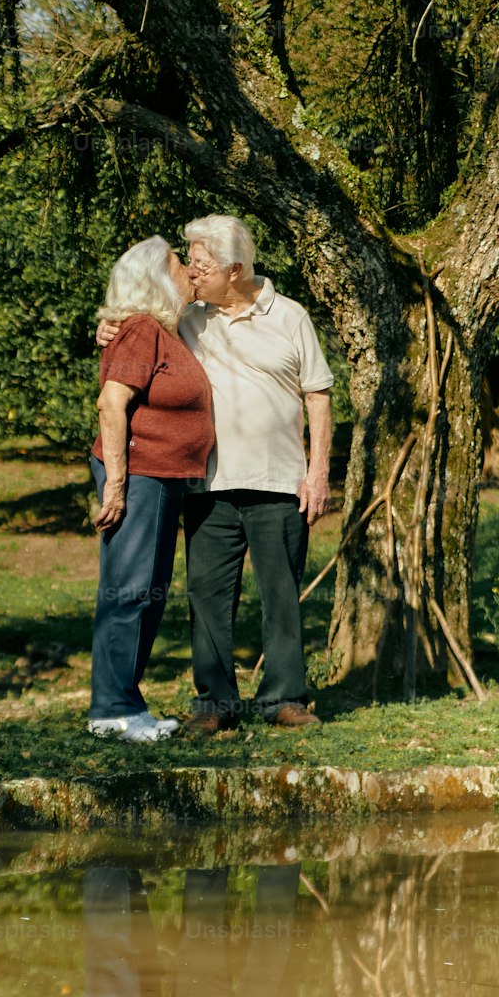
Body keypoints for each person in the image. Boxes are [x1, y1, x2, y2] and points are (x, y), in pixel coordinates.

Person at [100, 215, 333, 733]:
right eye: (191, 265)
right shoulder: (188, 317)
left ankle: (285, 699)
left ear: (234, 268)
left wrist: (317, 473)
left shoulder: (291, 316)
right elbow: (136, 331)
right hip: (208, 483)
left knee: (280, 594)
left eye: (202, 266)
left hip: (279, 481)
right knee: (206, 596)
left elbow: (318, 396)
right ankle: (214, 704)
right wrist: (107, 326)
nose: (193, 274)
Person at [88, 236, 215, 743]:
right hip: (139, 475)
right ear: (158, 278)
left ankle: (125, 704)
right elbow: (110, 404)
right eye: (179, 262)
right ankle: (112, 709)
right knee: (130, 588)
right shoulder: (142, 330)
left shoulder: (161, 330)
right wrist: (116, 485)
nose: (188, 268)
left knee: (147, 591)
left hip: (161, 480)